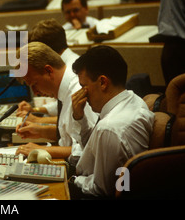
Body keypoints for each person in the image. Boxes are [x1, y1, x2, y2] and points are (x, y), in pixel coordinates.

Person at [69, 45, 154, 198]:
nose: (83, 95)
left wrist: (74, 180)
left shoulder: (109, 128)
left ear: (103, 82)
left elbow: (101, 190)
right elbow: (94, 149)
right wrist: (80, 118)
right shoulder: (134, 100)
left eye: (84, 87)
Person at [14, 42, 98, 167]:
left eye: (34, 84)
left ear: (48, 71)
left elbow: (88, 149)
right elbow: (70, 136)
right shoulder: (64, 91)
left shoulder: (78, 91)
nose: (35, 93)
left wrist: (44, 150)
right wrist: (40, 130)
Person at [17, 19, 80, 117]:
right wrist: (34, 110)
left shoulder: (74, 73)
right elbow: (64, 106)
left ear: (45, 50)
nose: (35, 92)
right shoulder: (66, 67)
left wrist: (36, 121)